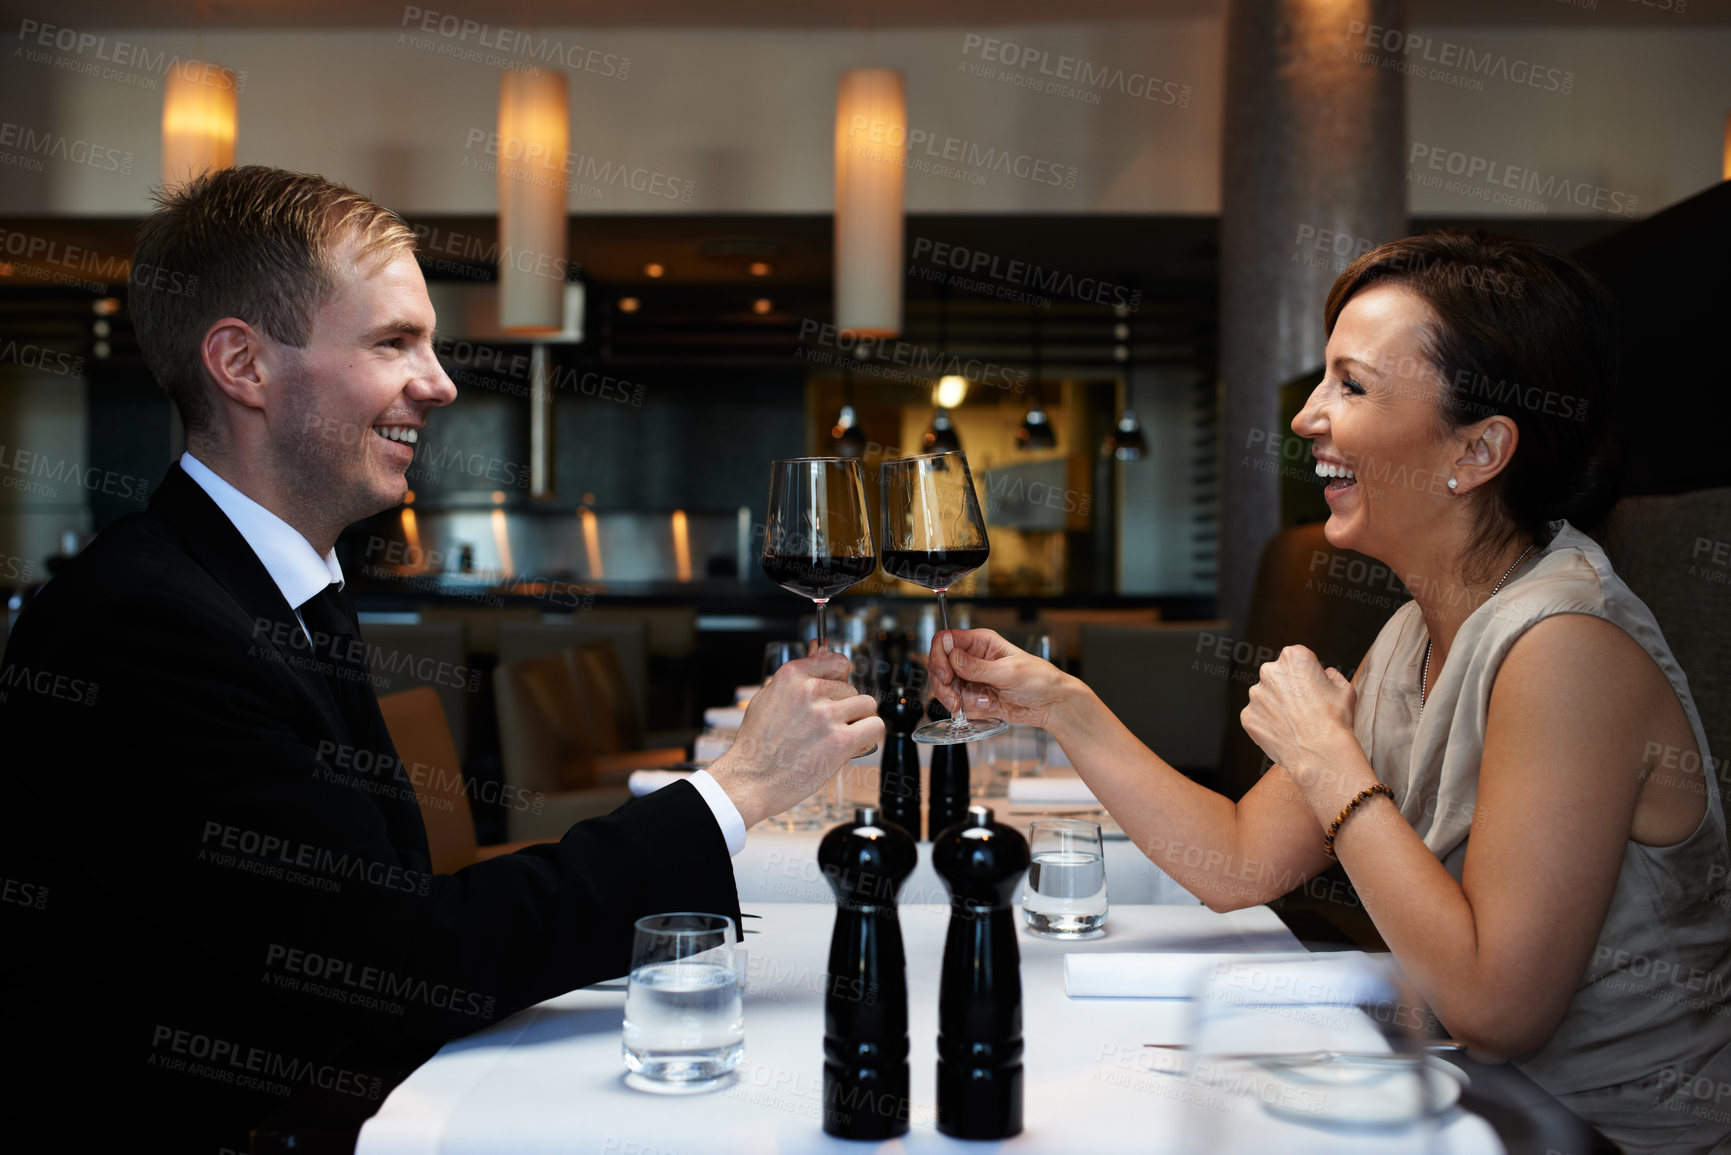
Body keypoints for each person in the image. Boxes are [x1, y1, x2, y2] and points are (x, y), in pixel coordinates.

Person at [0, 166, 884, 1152]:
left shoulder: (276, 585)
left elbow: (386, 927)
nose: (441, 382)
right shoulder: (142, 625)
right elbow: (396, 966)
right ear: (242, 366)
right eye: (392, 342)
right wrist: (737, 790)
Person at [929, 231, 1730, 1154]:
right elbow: (1235, 863)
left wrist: (1324, 758)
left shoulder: (1565, 646)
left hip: (1603, 1136)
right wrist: (1059, 702)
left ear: (1477, 449)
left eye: (1349, 385)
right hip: (1475, 1101)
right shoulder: (1414, 630)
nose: (1308, 416)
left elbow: (1499, 1010)